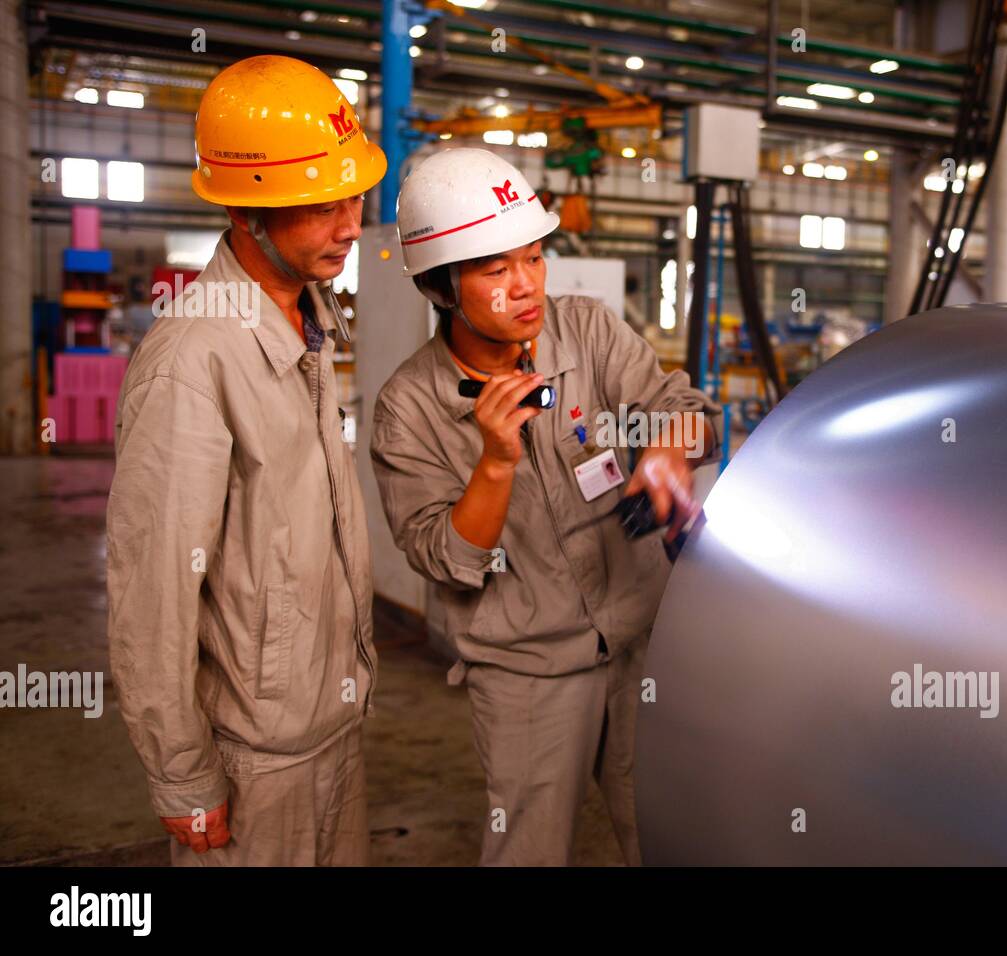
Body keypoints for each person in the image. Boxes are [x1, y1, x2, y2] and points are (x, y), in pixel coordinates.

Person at [371, 148, 722, 866]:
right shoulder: (409, 408)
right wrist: (495, 463)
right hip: (526, 674)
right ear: (442, 287)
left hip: (641, 642)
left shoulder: (586, 331)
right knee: (527, 851)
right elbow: (444, 556)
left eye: (533, 258)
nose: (526, 286)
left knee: (671, 832)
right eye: (496, 270)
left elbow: (686, 408)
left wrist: (669, 447)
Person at [106, 55, 386, 866]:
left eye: (353, 194)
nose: (347, 224)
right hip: (252, 760)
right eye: (319, 205)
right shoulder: (194, 359)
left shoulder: (306, 321)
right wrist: (185, 778)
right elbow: (152, 590)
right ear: (247, 211)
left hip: (332, 728)